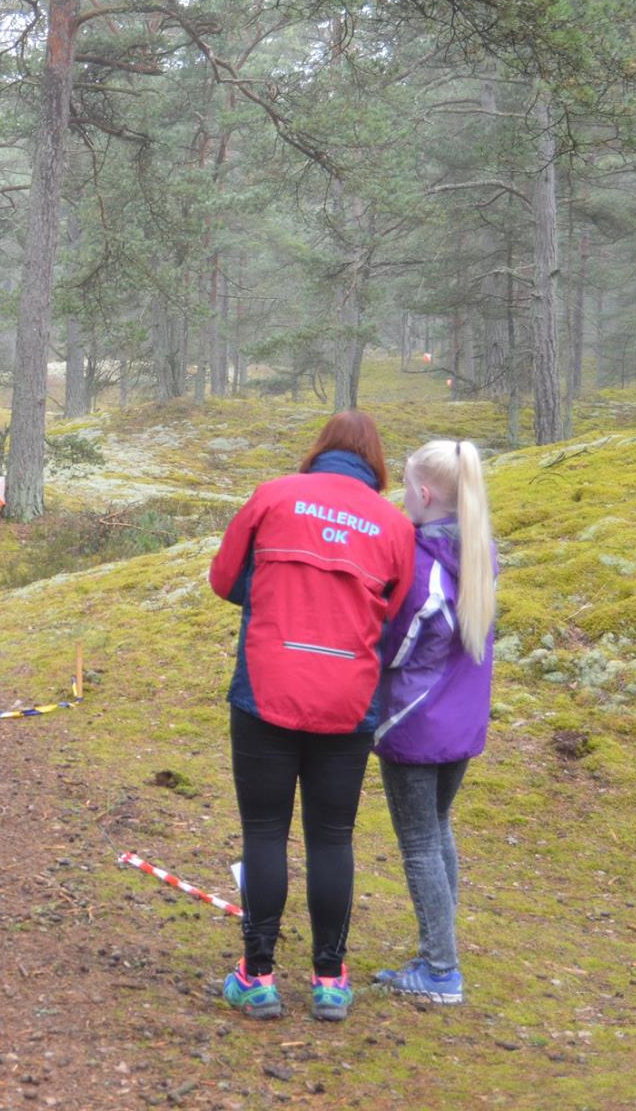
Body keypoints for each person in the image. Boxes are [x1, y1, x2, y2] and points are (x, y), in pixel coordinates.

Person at [208, 410, 416, 1021]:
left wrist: (272, 591)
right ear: (375, 461)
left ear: (320, 449)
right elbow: (393, 612)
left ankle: (258, 976)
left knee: (265, 831)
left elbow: (224, 579)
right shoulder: (394, 525)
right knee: (332, 837)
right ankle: (330, 980)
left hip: (265, 688)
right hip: (349, 699)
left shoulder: (273, 497)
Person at [371, 439, 497, 1006]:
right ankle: (439, 951)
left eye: (404, 485)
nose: (400, 495)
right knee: (439, 829)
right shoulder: (479, 549)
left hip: (413, 723)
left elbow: (401, 642)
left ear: (424, 493)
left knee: (419, 843)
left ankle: (441, 969)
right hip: (460, 722)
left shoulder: (423, 561)